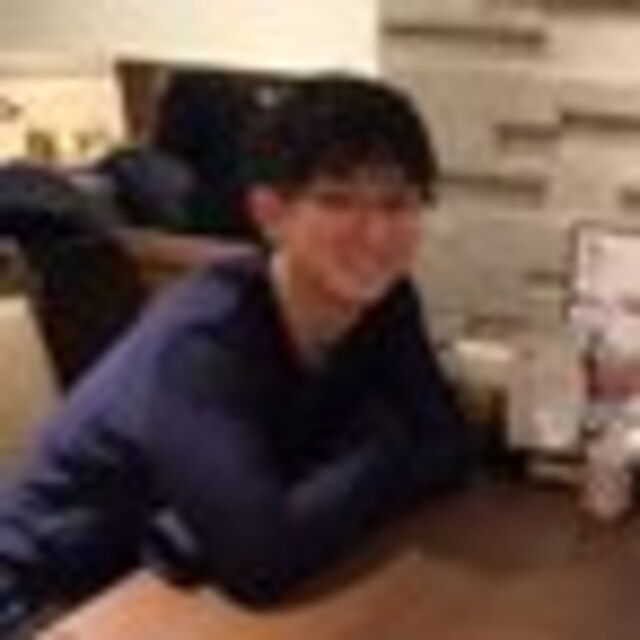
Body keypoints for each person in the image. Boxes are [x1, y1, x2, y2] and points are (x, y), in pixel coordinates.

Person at [0, 73, 475, 632]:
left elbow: (447, 448)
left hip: (157, 591)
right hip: (43, 597)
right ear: (271, 214)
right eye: (337, 200)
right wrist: (384, 440)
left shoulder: (384, 302)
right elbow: (262, 562)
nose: (375, 234)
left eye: (398, 202)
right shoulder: (204, 340)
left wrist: (271, 511)